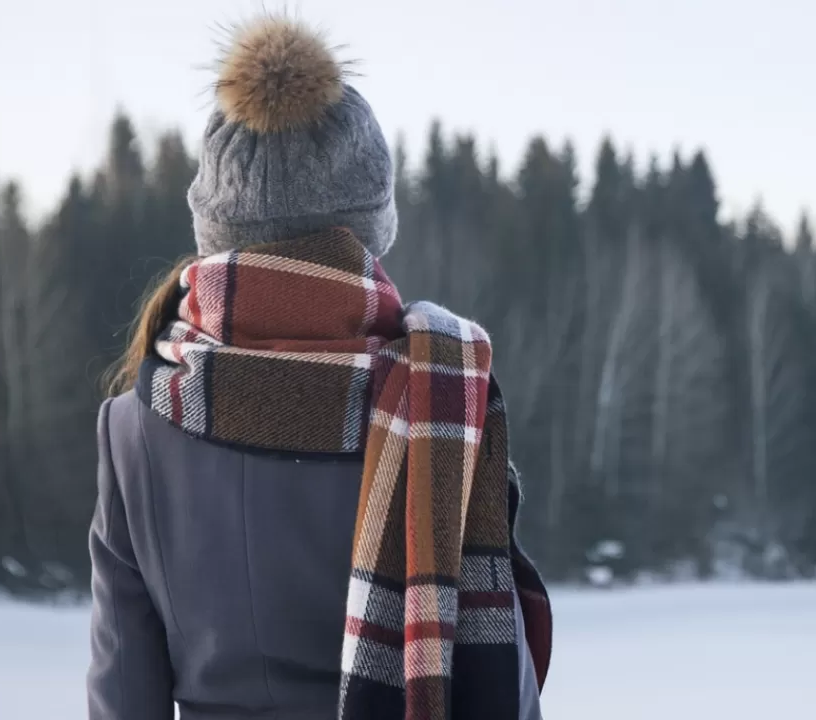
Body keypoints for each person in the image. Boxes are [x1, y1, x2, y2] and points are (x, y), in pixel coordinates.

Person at [87, 15, 552, 720]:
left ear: (215, 230)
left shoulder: (132, 427)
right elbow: (502, 692)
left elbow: (122, 696)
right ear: (369, 225)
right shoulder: (441, 404)